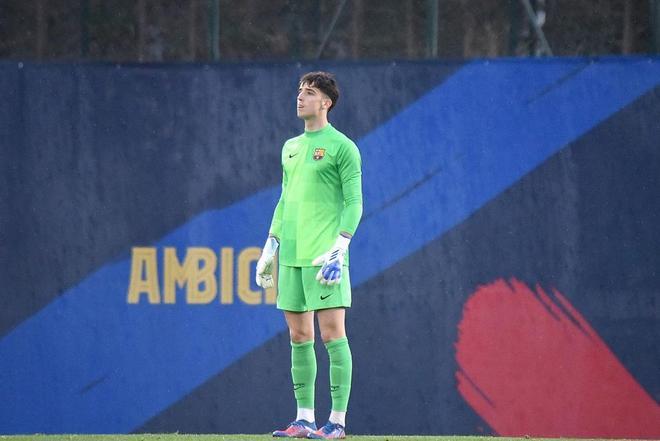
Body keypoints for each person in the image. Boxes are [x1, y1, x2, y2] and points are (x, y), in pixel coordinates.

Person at [256, 71, 363, 440]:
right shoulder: (290, 147)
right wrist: (271, 244)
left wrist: (341, 245)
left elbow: (354, 202)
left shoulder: (343, 147)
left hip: (325, 260)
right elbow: (286, 200)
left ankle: (337, 422)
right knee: (299, 336)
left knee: (333, 335)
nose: (300, 97)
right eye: (299, 90)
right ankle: (303, 419)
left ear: (326, 102)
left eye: (310, 92)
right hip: (292, 257)